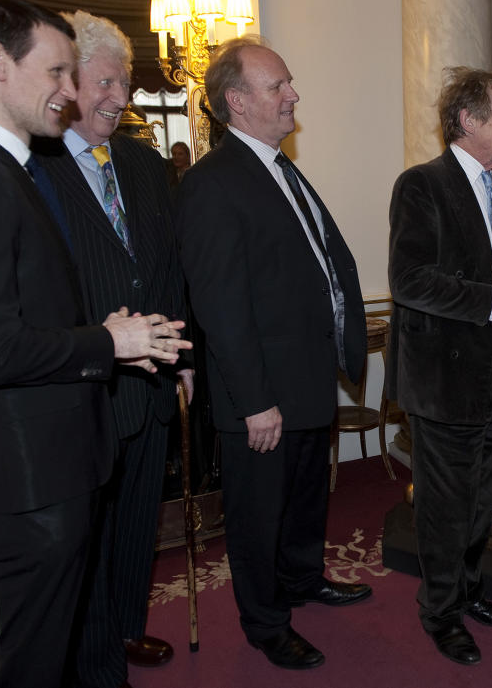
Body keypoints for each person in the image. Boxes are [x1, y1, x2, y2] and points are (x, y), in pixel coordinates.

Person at [0, 0, 190, 687]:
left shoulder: (3, 169)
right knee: (34, 662)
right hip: (29, 474)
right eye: (59, 72)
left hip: (55, 461)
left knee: (62, 646)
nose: (71, 91)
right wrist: (108, 340)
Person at [176, 35, 371, 671]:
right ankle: (266, 622)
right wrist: (255, 401)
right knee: (259, 515)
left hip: (307, 377)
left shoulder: (280, 167)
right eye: (277, 86)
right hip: (260, 392)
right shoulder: (213, 183)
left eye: (288, 83)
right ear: (236, 101)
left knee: (308, 497)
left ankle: (303, 578)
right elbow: (221, 306)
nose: (293, 95)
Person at [32, 10, 191, 687]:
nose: (119, 99)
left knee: (135, 522)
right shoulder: (33, 170)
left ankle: (126, 626)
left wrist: (182, 356)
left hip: (151, 383)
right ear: (67, 83)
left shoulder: (145, 163)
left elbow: (167, 267)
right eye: (104, 83)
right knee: (88, 535)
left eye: (124, 85)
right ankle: (89, 647)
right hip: (84, 385)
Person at [386, 67, 492, 666]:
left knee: (482, 499)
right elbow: (409, 282)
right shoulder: (422, 185)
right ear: (468, 120)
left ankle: (469, 590)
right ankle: (440, 612)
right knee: (444, 505)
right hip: (446, 379)